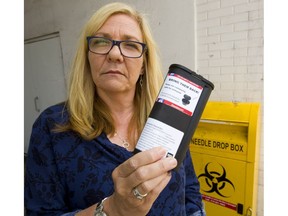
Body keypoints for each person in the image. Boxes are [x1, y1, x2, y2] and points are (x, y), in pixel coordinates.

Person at [24, 2, 205, 216]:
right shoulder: (53, 126)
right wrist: (112, 210)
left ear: (144, 65)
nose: (115, 54)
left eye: (130, 45)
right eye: (101, 42)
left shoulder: (169, 120)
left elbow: (190, 192)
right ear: (88, 56)